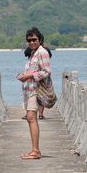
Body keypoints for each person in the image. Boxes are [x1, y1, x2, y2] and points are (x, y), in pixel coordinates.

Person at [17, 27, 53, 159]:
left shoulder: (42, 52)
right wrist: (24, 76)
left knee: (31, 118)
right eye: (29, 40)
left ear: (40, 40)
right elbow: (34, 71)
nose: (31, 42)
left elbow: (46, 71)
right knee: (30, 119)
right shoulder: (33, 52)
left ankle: (36, 151)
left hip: (36, 90)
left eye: (34, 40)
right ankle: (35, 150)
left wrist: (29, 76)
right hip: (29, 90)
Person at [21, 42, 52, 120]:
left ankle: (31, 113)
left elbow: (46, 71)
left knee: (40, 97)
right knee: (41, 97)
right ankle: (40, 114)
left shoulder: (42, 51)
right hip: (38, 80)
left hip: (39, 81)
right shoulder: (43, 50)